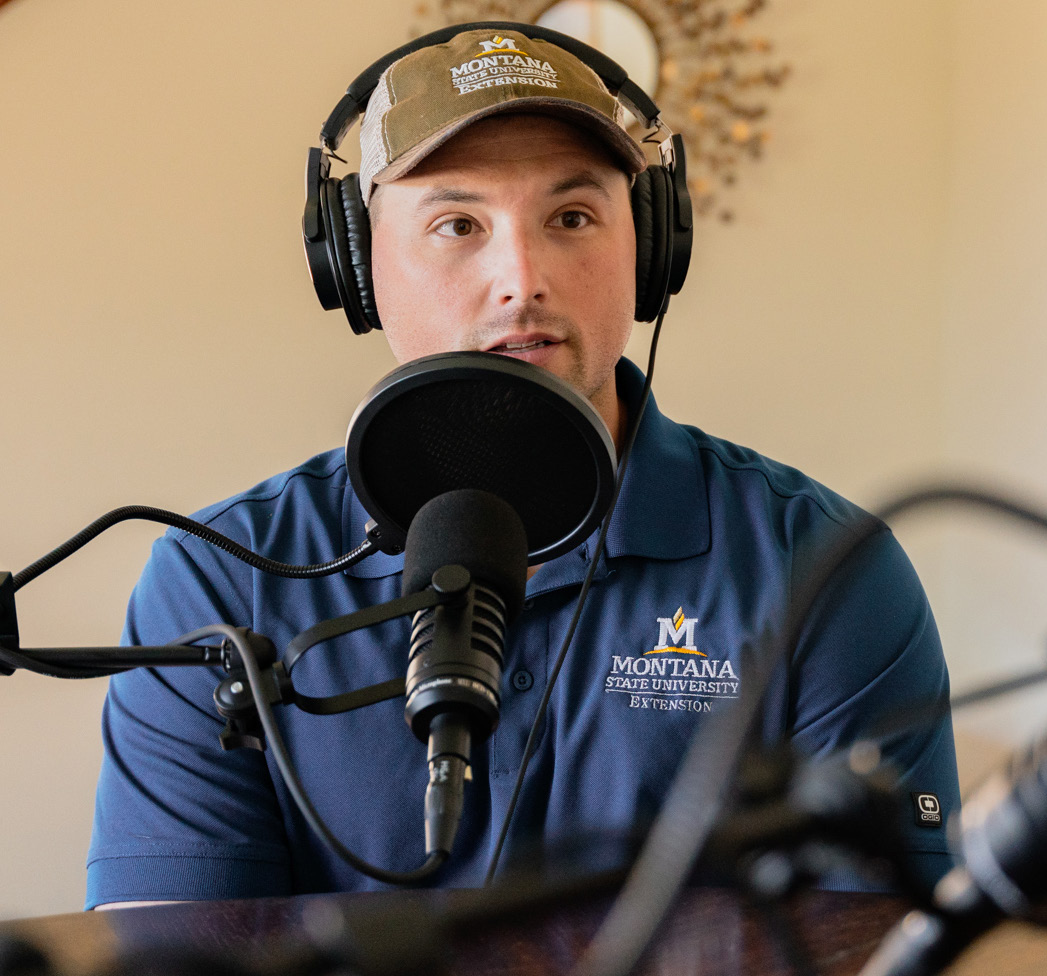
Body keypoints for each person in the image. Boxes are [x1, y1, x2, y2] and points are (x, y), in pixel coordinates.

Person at [85, 25, 959, 908]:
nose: (522, 277)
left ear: (649, 248)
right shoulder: (218, 586)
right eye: (457, 223)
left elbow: (878, 950)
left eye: (571, 217)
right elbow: (175, 950)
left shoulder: (829, 570)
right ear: (357, 267)